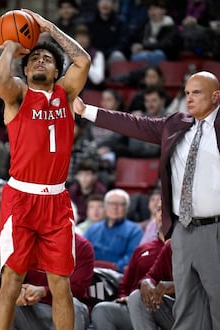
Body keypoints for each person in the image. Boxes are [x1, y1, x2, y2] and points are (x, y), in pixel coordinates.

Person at [73, 70, 220, 329]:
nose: (189, 98)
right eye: (186, 93)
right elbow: (134, 124)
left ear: (216, 97)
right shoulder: (176, 123)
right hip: (183, 231)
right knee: (187, 309)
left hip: (216, 228)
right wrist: (87, 111)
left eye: (196, 92)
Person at [0, 7, 91, 330]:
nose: (39, 61)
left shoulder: (66, 92)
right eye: (33, 59)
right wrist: (10, 45)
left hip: (57, 202)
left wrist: (49, 28)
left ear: (57, 69)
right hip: (21, 197)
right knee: (12, 280)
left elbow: (83, 61)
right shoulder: (17, 94)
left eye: (46, 59)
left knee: (61, 283)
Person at [87, 198, 165, 330]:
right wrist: (123, 297)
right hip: (132, 306)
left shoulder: (180, 248)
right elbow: (125, 283)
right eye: (158, 210)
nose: (162, 214)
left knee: (137, 297)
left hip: (163, 308)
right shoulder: (142, 249)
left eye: (165, 210)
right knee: (101, 310)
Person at [12, 233, 94, 330]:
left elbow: (79, 289)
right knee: (8, 299)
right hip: (32, 306)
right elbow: (9, 277)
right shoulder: (26, 241)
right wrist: (19, 290)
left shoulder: (82, 246)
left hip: (66, 307)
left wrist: (44, 291)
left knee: (72, 303)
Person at [84, 188, 143, 272]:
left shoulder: (135, 230)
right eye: (111, 203)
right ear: (105, 206)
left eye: (120, 204)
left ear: (127, 208)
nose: (115, 207)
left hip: (117, 275)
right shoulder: (93, 228)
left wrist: (112, 268)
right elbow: (82, 252)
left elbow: (131, 257)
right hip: (91, 272)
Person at [128, 239, 174, 330]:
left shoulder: (206, 244)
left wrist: (176, 286)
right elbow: (150, 276)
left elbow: (208, 286)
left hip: (199, 310)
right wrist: (146, 282)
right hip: (174, 310)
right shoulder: (171, 245)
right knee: (137, 297)